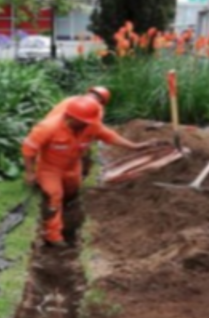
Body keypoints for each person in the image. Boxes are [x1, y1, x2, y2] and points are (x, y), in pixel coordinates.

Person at [22, 95, 155, 248]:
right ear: (70, 118)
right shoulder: (48, 128)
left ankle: (67, 215)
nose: (88, 125)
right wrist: (30, 172)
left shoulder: (91, 125)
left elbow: (110, 136)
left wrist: (135, 147)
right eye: (85, 122)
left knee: (72, 192)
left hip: (72, 167)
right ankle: (52, 235)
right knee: (54, 194)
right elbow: (28, 150)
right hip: (49, 169)